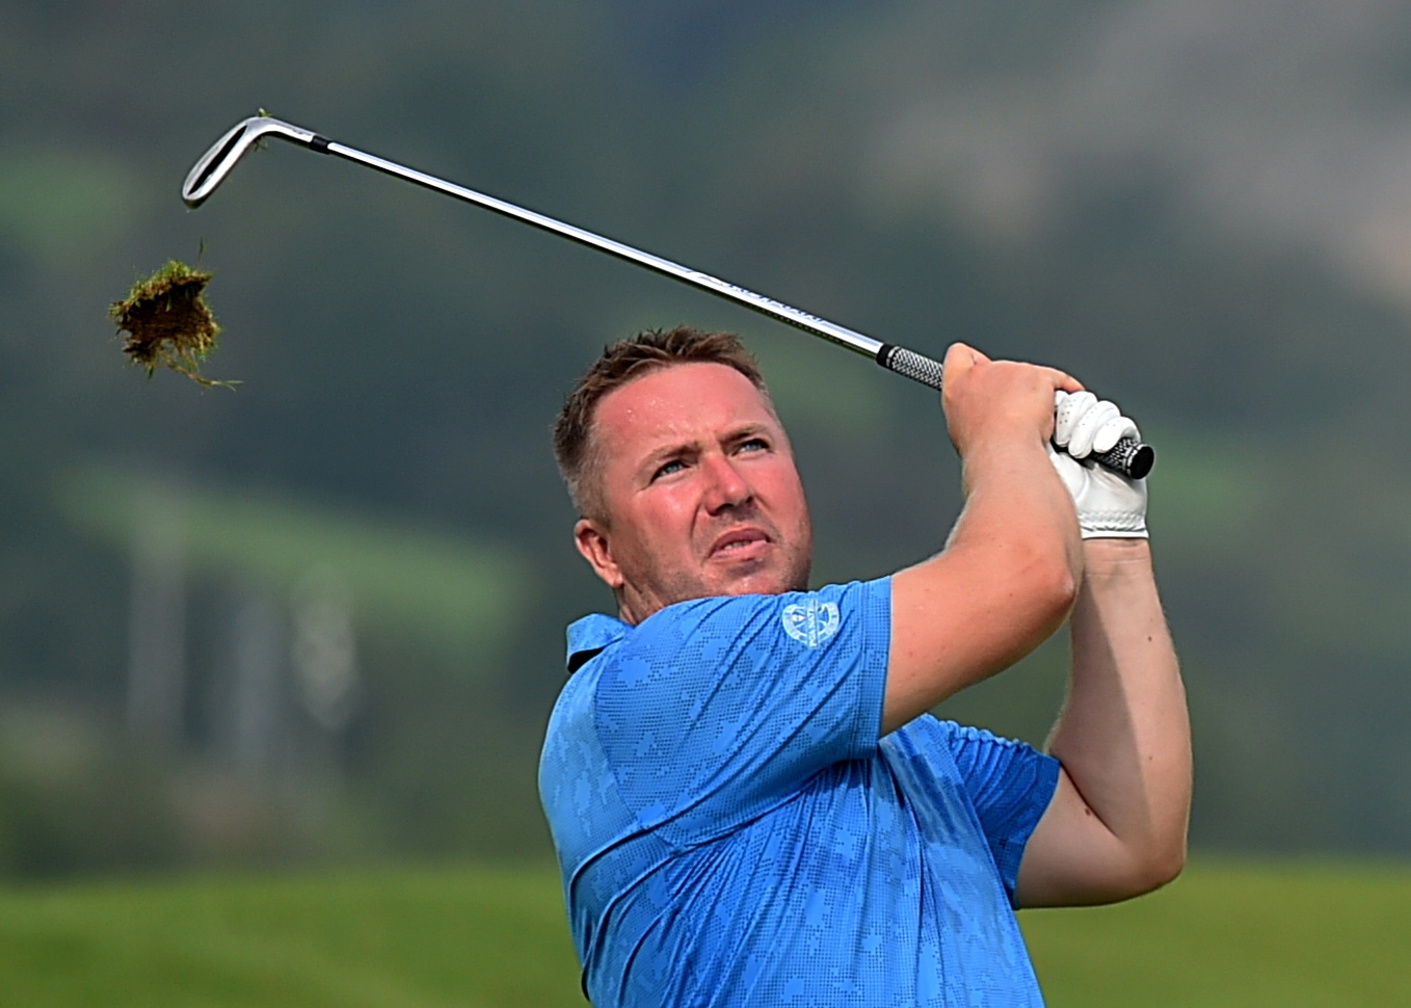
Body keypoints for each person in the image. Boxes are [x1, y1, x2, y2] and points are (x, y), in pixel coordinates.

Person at [539, 326, 1190, 1007]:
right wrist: (1000, 431)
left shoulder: (902, 745)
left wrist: (1109, 542)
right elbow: (1025, 579)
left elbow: (1123, 834)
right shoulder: (651, 685)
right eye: (672, 467)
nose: (729, 488)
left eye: (750, 445)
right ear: (603, 550)